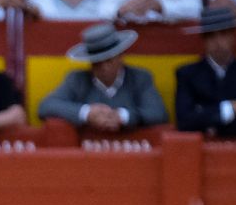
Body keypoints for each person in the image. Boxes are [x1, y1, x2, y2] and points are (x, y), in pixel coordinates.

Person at [37, 22, 168, 132]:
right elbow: (46, 106)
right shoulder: (77, 80)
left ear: (121, 56)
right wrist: (87, 113)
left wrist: (123, 116)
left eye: (109, 60)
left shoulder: (140, 78)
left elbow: (158, 113)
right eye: (97, 63)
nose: (104, 67)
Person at [175, 7, 236, 137]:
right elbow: (184, 121)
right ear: (204, 40)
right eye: (211, 36)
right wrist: (228, 109)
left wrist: (209, 123)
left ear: (233, 36)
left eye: (223, 34)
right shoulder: (187, 74)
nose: (218, 42)